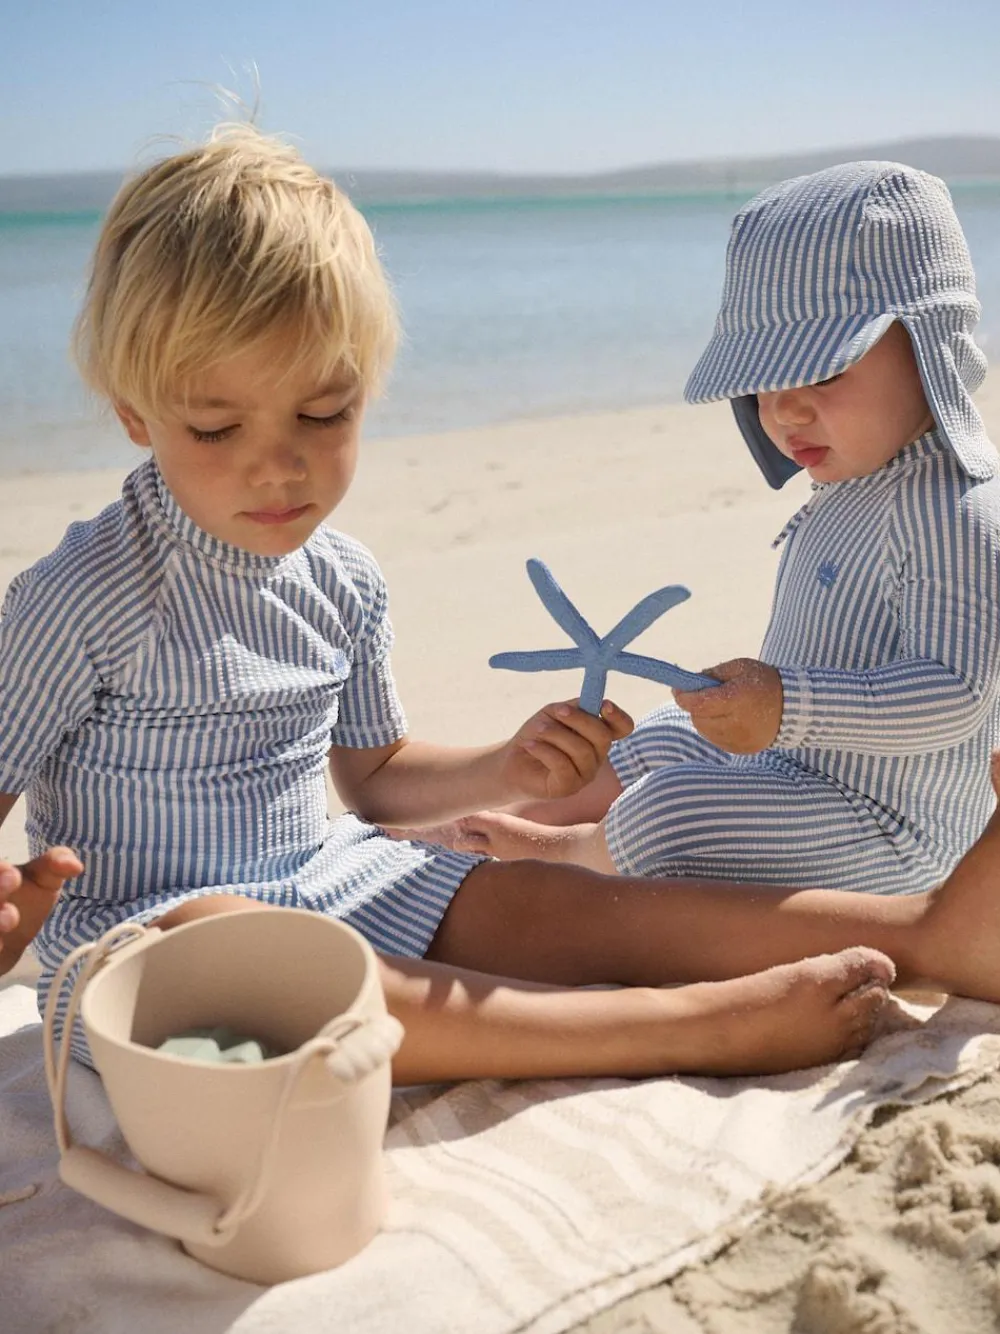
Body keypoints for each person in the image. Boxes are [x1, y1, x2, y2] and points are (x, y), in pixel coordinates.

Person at [0, 126, 958, 1087]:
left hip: (329, 880)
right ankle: (678, 1028)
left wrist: (509, 767)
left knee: (547, 901)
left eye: (324, 414)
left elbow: (374, 783)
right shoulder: (78, 600)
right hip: (141, 953)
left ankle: (927, 933)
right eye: (216, 427)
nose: (279, 462)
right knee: (237, 946)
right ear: (135, 413)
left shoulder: (340, 579)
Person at [443, 163, 1000, 895]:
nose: (785, 413)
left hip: (889, 831)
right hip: (800, 775)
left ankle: (567, 856)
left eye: (824, 374)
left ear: (931, 347)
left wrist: (788, 705)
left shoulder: (955, 510)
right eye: (766, 383)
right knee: (658, 739)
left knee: (671, 810)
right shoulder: (859, 479)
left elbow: (956, 693)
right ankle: (484, 824)